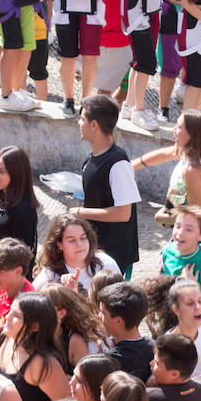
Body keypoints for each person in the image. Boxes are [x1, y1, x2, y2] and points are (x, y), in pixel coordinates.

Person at [74, 94, 140, 278]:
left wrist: (80, 213)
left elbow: (123, 213)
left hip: (114, 258)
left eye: (82, 118)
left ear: (94, 125)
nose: (79, 123)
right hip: (96, 250)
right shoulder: (92, 157)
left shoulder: (118, 164)